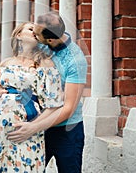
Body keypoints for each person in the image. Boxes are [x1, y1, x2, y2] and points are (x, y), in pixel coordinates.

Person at [0, 22, 64, 172]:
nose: (34, 31)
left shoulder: (46, 64)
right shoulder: (5, 63)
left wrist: (32, 127)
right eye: (30, 29)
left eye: (36, 30)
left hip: (27, 130)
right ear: (18, 35)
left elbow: (55, 106)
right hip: (0, 130)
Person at [7, 11, 88, 173]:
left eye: (38, 36)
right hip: (36, 125)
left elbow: (68, 108)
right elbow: (19, 72)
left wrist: (33, 127)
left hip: (67, 131)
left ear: (50, 40)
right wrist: (3, 90)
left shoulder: (75, 61)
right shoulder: (41, 43)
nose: (35, 37)